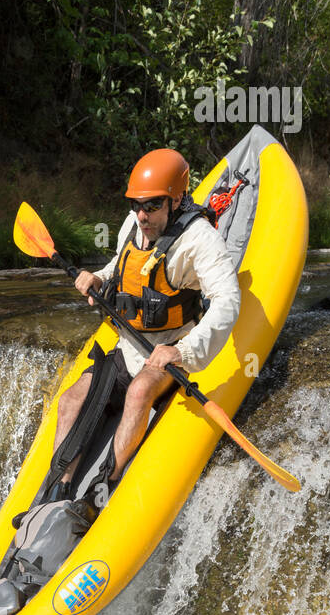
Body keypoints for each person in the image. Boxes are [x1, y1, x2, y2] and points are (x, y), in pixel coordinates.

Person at [53, 148, 241, 493]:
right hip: (129, 347)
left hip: (169, 348)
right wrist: (97, 278)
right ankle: (58, 485)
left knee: (139, 393)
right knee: (70, 399)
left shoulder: (201, 239)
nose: (142, 215)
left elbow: (228, 301)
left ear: (177, 199)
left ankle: (105, 484)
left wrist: (183, 351)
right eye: (136, 204)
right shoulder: (135, 224)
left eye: (153, 205)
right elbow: (122, 267)